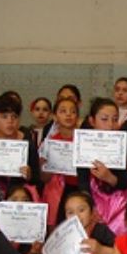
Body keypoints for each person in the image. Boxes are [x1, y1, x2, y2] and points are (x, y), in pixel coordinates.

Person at [76, 98, 127, 235]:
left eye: (115, 119)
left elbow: (126, 182)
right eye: (104, 119)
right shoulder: (84, 144)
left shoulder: (123, 143)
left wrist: (109, 177)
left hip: (120, 203)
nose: (110, 125)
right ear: (92, 121)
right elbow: (83, 181)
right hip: (94, 201)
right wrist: (90, 207)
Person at [39, 97, 81, 227]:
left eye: (73, 111)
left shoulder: (85, 141)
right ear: (55, 116)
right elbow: (44, 178)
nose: (68, 114)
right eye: (63, 111)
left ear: (77, 117)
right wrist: (46, 165)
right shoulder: (49, 143)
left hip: (80, 189)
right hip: (57, 192)